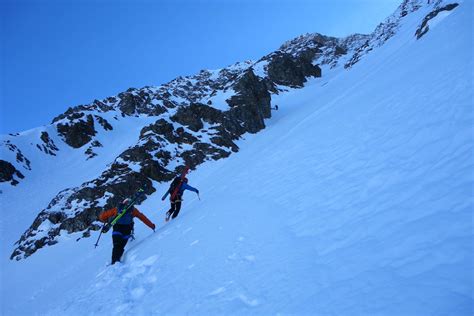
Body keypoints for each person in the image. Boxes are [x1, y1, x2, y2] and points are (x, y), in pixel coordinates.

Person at [99, 198, 156, 264]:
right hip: (127, 230)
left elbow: (103, 216)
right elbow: (143, 218)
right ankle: (117, 261)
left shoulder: (117, 209)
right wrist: (152, 226)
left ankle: (114, 262)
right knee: (121, 246)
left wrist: (104, 219)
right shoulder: (133, 210)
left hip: (117, 228)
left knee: (116, 245)